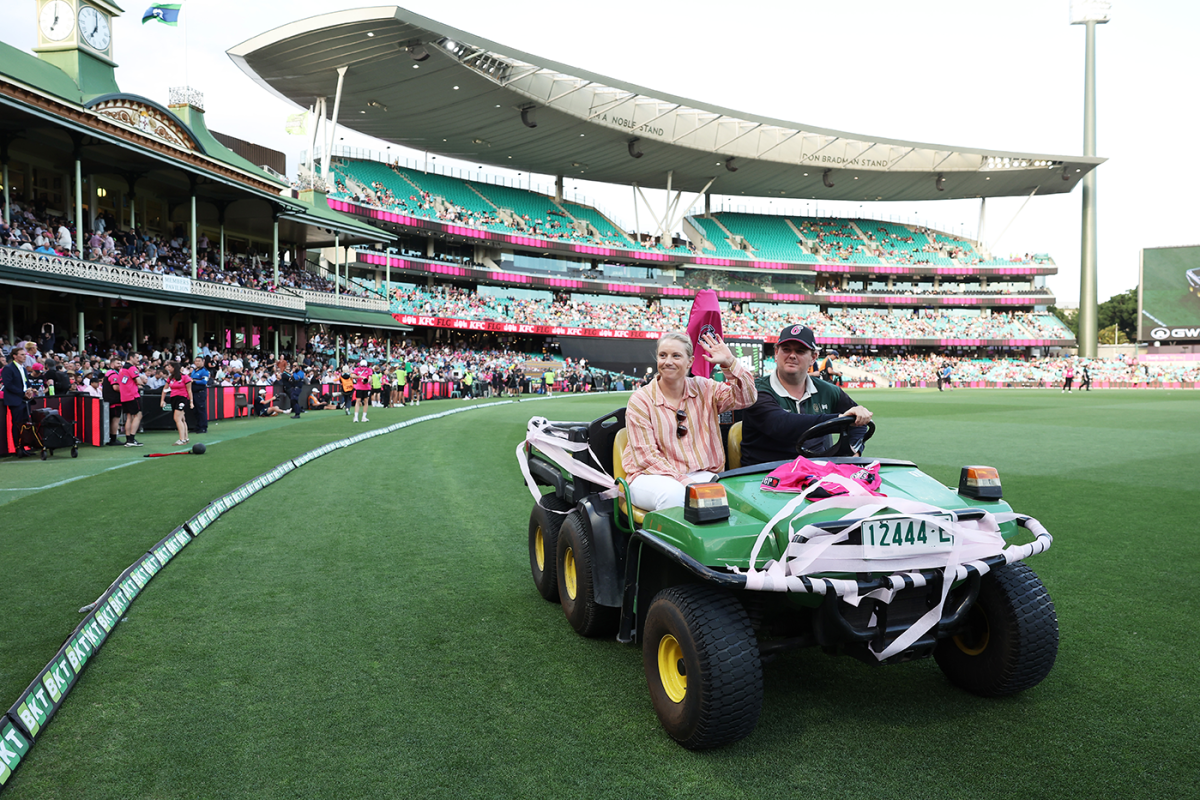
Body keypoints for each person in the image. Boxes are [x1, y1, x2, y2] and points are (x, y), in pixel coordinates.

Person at [622, 331, 757, 511]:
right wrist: (686, 483)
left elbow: (746, 398)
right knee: (674, 495)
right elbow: (647, 458)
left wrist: (729, 362)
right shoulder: (641, 400)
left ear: (690, 362)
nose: (668, 361)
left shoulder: (705, 388)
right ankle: (664, 540)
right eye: (663, 355)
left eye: (676, 355)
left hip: (700, 474)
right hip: (650, 476)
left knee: (737, 499)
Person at [740, 324, 873, 468]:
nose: (792, 355)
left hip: (815, 473)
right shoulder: (755, 389)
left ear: (813, 357)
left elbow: (859, 423)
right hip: (762, 474)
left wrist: (853, 452)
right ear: (776, 353)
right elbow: (779, 424)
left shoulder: (828, 390)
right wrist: (840, 420)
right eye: (786, 349)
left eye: (800, 351)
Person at [3, 348, 36, 455]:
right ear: (15, 356)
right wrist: (23, 393)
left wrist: (30, 389)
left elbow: (26, 382)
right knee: (17, 424)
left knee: (25, 423)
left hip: (25, 400)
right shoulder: (8, 368)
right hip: (15, 400)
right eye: (22, 354)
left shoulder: (23, 369)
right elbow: (8, 385)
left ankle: (25, 446)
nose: (24, 356)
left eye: (24, 354)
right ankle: (18, 447)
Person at [159, 361, 193, 445]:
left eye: (169, 367)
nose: (168, 368)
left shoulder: (185, 377)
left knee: (177, 418)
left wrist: (191, 402)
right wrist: (162, 400)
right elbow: (165, 389)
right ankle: (185, 438)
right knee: (182, 419)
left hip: (182, 398)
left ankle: (181, 439)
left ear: (174, 368)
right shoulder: (170, 378)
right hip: (173, 398)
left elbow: (189, 390)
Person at [117, 355, 146, 446]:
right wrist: (142, 381)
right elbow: (138, 381)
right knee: (138, 415)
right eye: (137, 358)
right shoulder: (131, 368)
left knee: (129, 417)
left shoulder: (122, 369)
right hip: (132, 395)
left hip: (124, 396)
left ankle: (128, 439)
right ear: (131, 357)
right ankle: (131, 439)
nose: (138, 360)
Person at [191, 355, 209, 433]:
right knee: (195, 411)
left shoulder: (205, 371)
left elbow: (204, 382)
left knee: (201, 410)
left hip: (200, 393)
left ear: (203, 362)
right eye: (196, 361)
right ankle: (197, 426)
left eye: (199, 361)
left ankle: (203, 427)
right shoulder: (194, 371)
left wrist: (194, 381)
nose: (197, 363)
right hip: (193, 393)